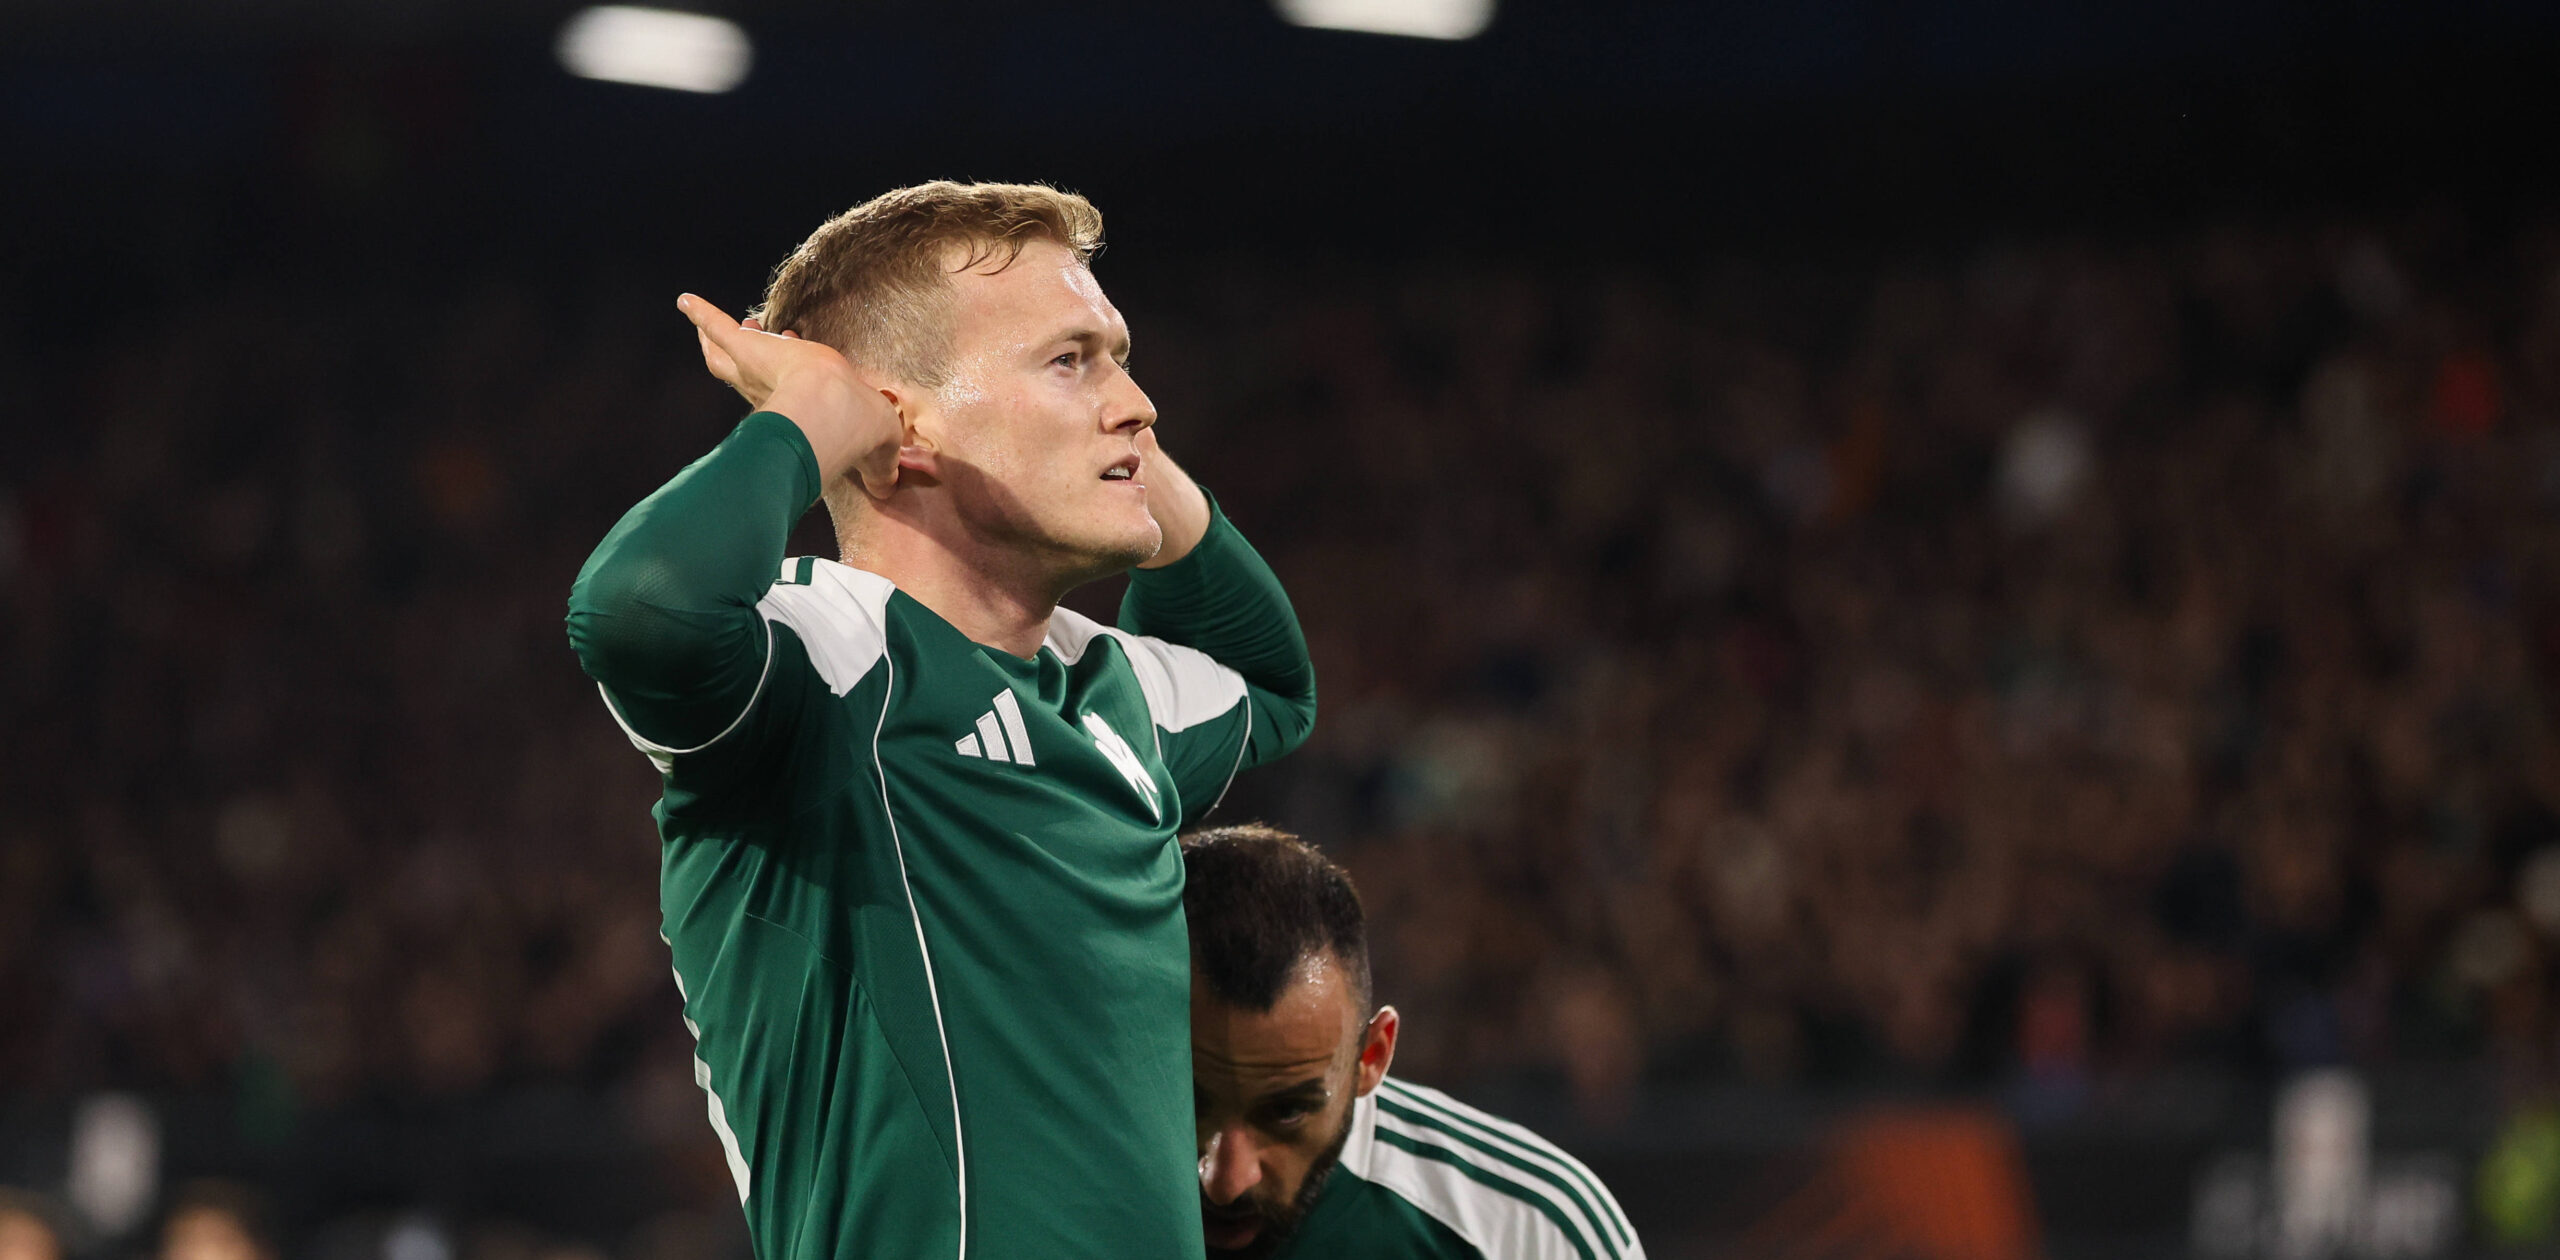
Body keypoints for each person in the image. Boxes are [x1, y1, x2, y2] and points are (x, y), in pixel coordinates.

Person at [566, 182, 1317, 1260]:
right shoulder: (828, 666)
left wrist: (1126, 458)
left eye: (1118, 353)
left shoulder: (1109, 689)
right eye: (1070, 360)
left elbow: (1272, 684)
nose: (1140, 404)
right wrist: (813, 419)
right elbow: (641, 606)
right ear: (898, 421)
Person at [1183, 825, 1645, 1260]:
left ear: (1372, 1057)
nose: (1226, 1180)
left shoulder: (1532, 1236)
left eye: (1287, 1112)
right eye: (1188, 1103)